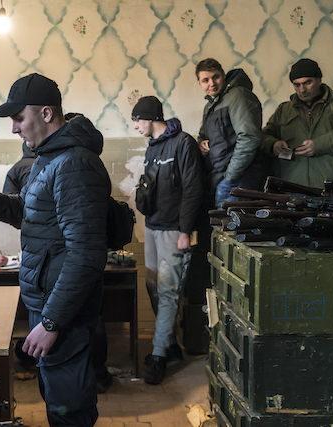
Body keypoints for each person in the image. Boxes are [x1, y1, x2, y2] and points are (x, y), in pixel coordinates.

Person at [0, 73, 110, 426]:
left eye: (19, 118)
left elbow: (86, 253)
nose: (14, 129)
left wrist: (51, 322)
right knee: (57, 401)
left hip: (62, 315)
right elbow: (27, 212)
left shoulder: (74, 164)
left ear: (47, 114)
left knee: (70, 410)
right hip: (51, 305)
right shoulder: (48, 159)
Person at [131, 96, 204, 384]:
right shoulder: (152, 147)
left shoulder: (183, 143)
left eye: (137, 120)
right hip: (152, 226)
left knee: (168, 290)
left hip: (175, 230)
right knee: (154, 287)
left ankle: (159, 356)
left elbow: (193, 190)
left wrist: (185, 232)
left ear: (149, 118)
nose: (136, 125)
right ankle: (171, 345)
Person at [262, 58, 333, 191]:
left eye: (307, 83)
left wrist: (319, 145)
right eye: (296, 85)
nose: (302, 90)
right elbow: (264, 136)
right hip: (294, 187)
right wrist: (273, 144)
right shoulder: (284, 110)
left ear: (319, 80)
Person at [196, 58, 267, 208]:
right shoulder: (210, 106)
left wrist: (230, 176)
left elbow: (250, 137)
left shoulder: (238, 96)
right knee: (222, 227)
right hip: (220, 176)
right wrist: (201, 144)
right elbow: (203, 135)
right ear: (199, 83)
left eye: (216, 77)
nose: (212, 83)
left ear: (223, 75)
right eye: (205, 80)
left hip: (239, 178)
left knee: (230, 229)